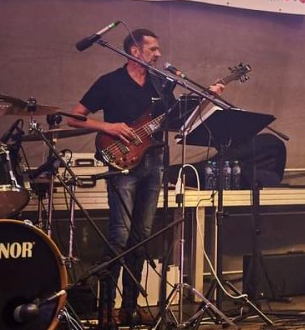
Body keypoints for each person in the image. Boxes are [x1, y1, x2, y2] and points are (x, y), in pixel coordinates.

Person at [68, 28, 224, 329]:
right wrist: (108, 127)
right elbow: (74, 117)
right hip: (121, 161)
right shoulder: (109, 82)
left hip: (154, 162)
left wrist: (207, 99)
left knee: (142, 235)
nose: (158, 54)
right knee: (120, 234)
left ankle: (130, 307)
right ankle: (106, 310)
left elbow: (175, 120)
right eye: (152, 49)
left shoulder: (160, 82)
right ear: (134, 51)